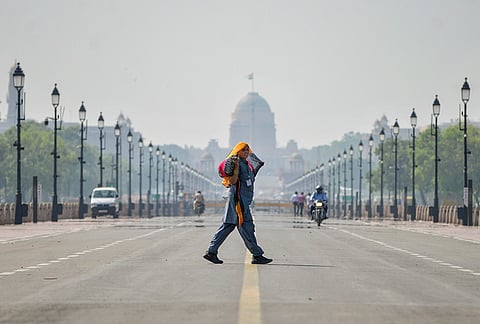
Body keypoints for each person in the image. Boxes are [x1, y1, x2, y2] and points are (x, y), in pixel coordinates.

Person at [203, 142, 272, 265]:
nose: (246, 152)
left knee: (232, 225)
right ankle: (256, 255)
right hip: (237, 200)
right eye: (243, 150)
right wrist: (235, 169)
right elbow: (233, 181)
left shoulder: (248, 165)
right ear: (237, 151)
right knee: (243, 226)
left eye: (247, 149)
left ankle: (212, 252)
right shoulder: (236, 164)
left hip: (244, 201)